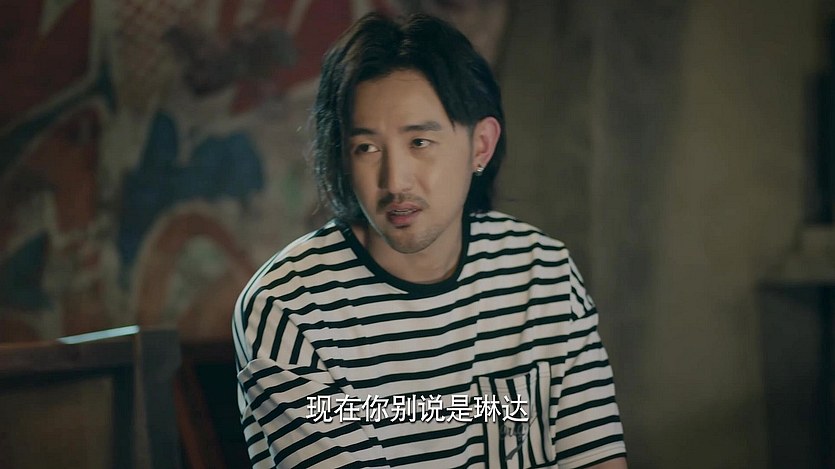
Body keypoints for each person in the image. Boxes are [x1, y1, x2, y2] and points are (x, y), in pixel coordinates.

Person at [233, 12, 627, 469]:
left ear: (481, 145)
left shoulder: (545, 275)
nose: (394, 180)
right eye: (367, 148)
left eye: (419, 142)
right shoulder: (289, 307)